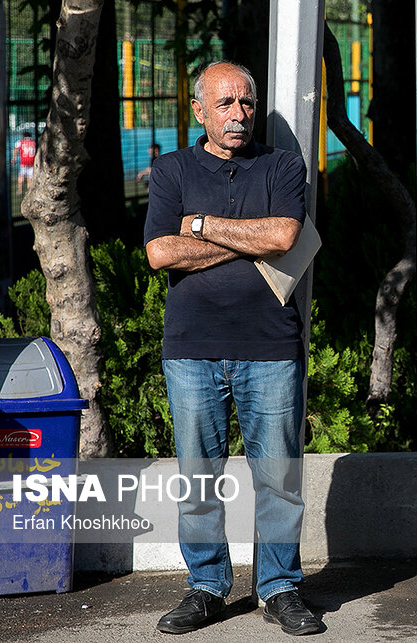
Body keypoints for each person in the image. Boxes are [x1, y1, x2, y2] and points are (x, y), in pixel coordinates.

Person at [143, 60, 322, 636]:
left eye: (247, 103)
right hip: (191, 347)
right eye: (225, 104)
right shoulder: (170, 171)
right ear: (198, 110)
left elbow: (285, 236)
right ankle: (206, 587)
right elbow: (159, 254)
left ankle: (279, 588)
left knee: (277, 479)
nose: (239, 115)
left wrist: (199, 227)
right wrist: (245, 237)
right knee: (198, 478)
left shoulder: (282, 165)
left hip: (270, 345)